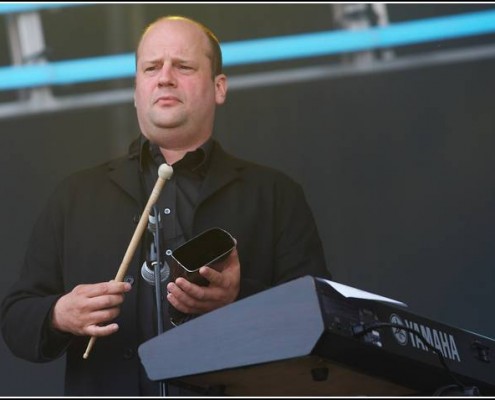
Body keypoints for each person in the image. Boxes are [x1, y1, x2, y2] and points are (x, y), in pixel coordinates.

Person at [1, 15, 330, 396]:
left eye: (184, 66)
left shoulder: (275, 193)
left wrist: (238, 299)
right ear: (137, 90)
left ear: (219, 87)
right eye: (151, 67)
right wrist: (59, 314)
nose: (165, 77)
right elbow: (15, 321)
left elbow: (321, 318)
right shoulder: (75, 195)